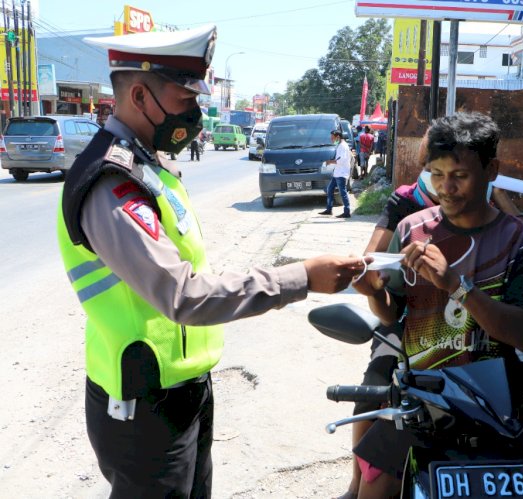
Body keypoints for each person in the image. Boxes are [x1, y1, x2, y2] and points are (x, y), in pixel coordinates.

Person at [56, 25, 366, 497]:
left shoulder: (148, 167)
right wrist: (301, 276)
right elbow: (184, 296)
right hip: (143, 404)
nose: (195, 112)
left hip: (180, 387)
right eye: (185, 98)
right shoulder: (111, 184)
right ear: (139, 95)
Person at [351, 112, 523, 497]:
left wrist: (458, 287)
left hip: (490, 406)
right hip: (417, 399)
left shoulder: (521, 244)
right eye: (436, 174)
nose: (446, 187)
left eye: (459, 175)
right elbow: (395, 314)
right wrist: (375, 292)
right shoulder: (413, 229)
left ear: (492, 170)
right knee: (372, 491)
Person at [319, 129, 353, 218]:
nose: (332, 140)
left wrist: (330, 161)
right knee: (329, 189)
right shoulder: (340, 145)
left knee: (343, 192)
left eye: (333, 138)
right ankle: (329, 209)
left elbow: (341, 160)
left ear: (338, 137)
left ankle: (347, 211)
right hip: (337, 173)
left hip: (342, 173)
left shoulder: (343, 146)